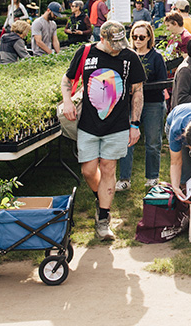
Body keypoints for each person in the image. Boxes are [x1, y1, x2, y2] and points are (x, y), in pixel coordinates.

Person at [59, 21, 144, 240]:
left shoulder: (129, 57)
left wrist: (134, 123)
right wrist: (67, 102)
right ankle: (101, 198)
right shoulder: (86, 52)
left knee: (108, 169)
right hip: (88, 123)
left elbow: (137, 91)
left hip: (117, 124)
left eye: (120, 43)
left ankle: (104, 219)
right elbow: (67, 80)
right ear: (102, 39)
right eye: (113, 43)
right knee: (88, 170)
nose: (118, 47)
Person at [116, 21, 169, 192]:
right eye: (134, 36)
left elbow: (162, 82)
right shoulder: (127, 56)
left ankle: (152, 177)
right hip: (129, 103)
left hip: (153, 102)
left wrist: (141, 88)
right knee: (126, 141)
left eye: (141, 37)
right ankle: (124, 178)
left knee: (153, 142)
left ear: (149, 38)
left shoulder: (156, 57)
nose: (137, 40)